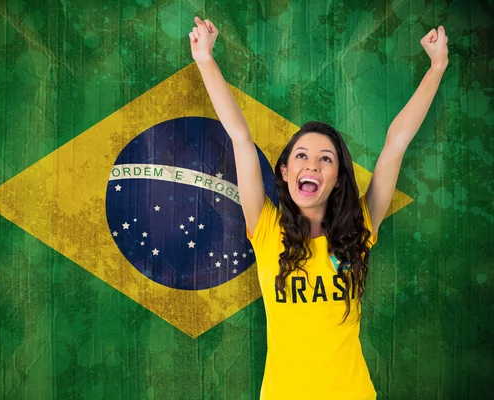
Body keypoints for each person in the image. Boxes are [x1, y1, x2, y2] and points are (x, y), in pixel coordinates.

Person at [189, 16, 448, 400]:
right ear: (285, 170)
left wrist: (437, 66)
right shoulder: (265, 228)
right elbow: (240, 138)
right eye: (302, 155)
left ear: (339, 178)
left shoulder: (360, 228)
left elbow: (397, 142)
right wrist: (206, 61)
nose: (312, 164)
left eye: (326, 159)